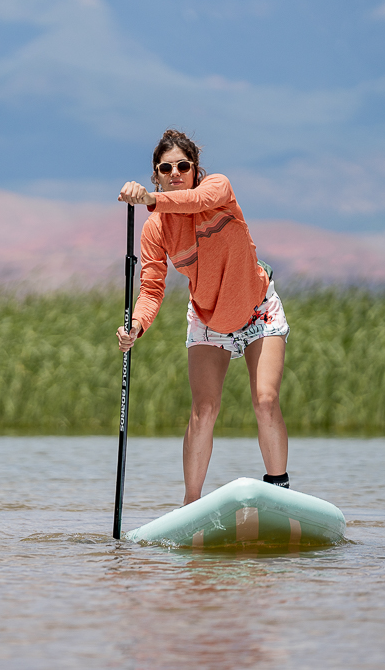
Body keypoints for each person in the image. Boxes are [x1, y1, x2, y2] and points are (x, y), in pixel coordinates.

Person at [116, 129, 291, 505]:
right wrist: (135, 326)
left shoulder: (217, 189)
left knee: (264, 400)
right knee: (204, 408)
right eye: (166, 168)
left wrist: (150, 199)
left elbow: (194, 200)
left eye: (183, 165)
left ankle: (279, 492)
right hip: (208, 318)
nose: (175, 173)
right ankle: (190, 506)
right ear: (157, 173)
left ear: (195, 169)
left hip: (258, 308)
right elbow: (151, 290)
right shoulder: (155, 230)